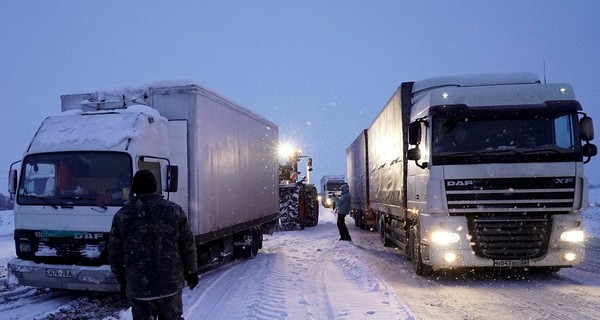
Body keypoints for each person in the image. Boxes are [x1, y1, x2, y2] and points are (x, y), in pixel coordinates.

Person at [108, 169, 199, 320]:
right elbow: (187, 245)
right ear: (155, 187)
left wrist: (123, 282)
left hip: (139, 287)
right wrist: (191, 272)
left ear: (134, 189)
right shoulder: (174, 211)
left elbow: (114, 254)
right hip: (170, 284)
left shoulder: (122, 216)